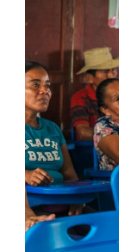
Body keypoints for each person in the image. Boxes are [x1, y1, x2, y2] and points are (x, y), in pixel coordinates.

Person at [25, 62, 78, 211]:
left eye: (47, 85)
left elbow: (69, 174)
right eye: (35, 85)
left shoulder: (52, 128)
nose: (45, 91)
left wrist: (77, 201)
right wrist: (26, 175)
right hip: (28, 208)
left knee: (109, 226)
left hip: (60, 202)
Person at [70, 47, 119, 142]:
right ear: (90, 78)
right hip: (91, 150)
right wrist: (117, 137)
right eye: (105, 72)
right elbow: (83, 132)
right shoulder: (80, 97)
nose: (111, 76)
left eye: (113, 71)